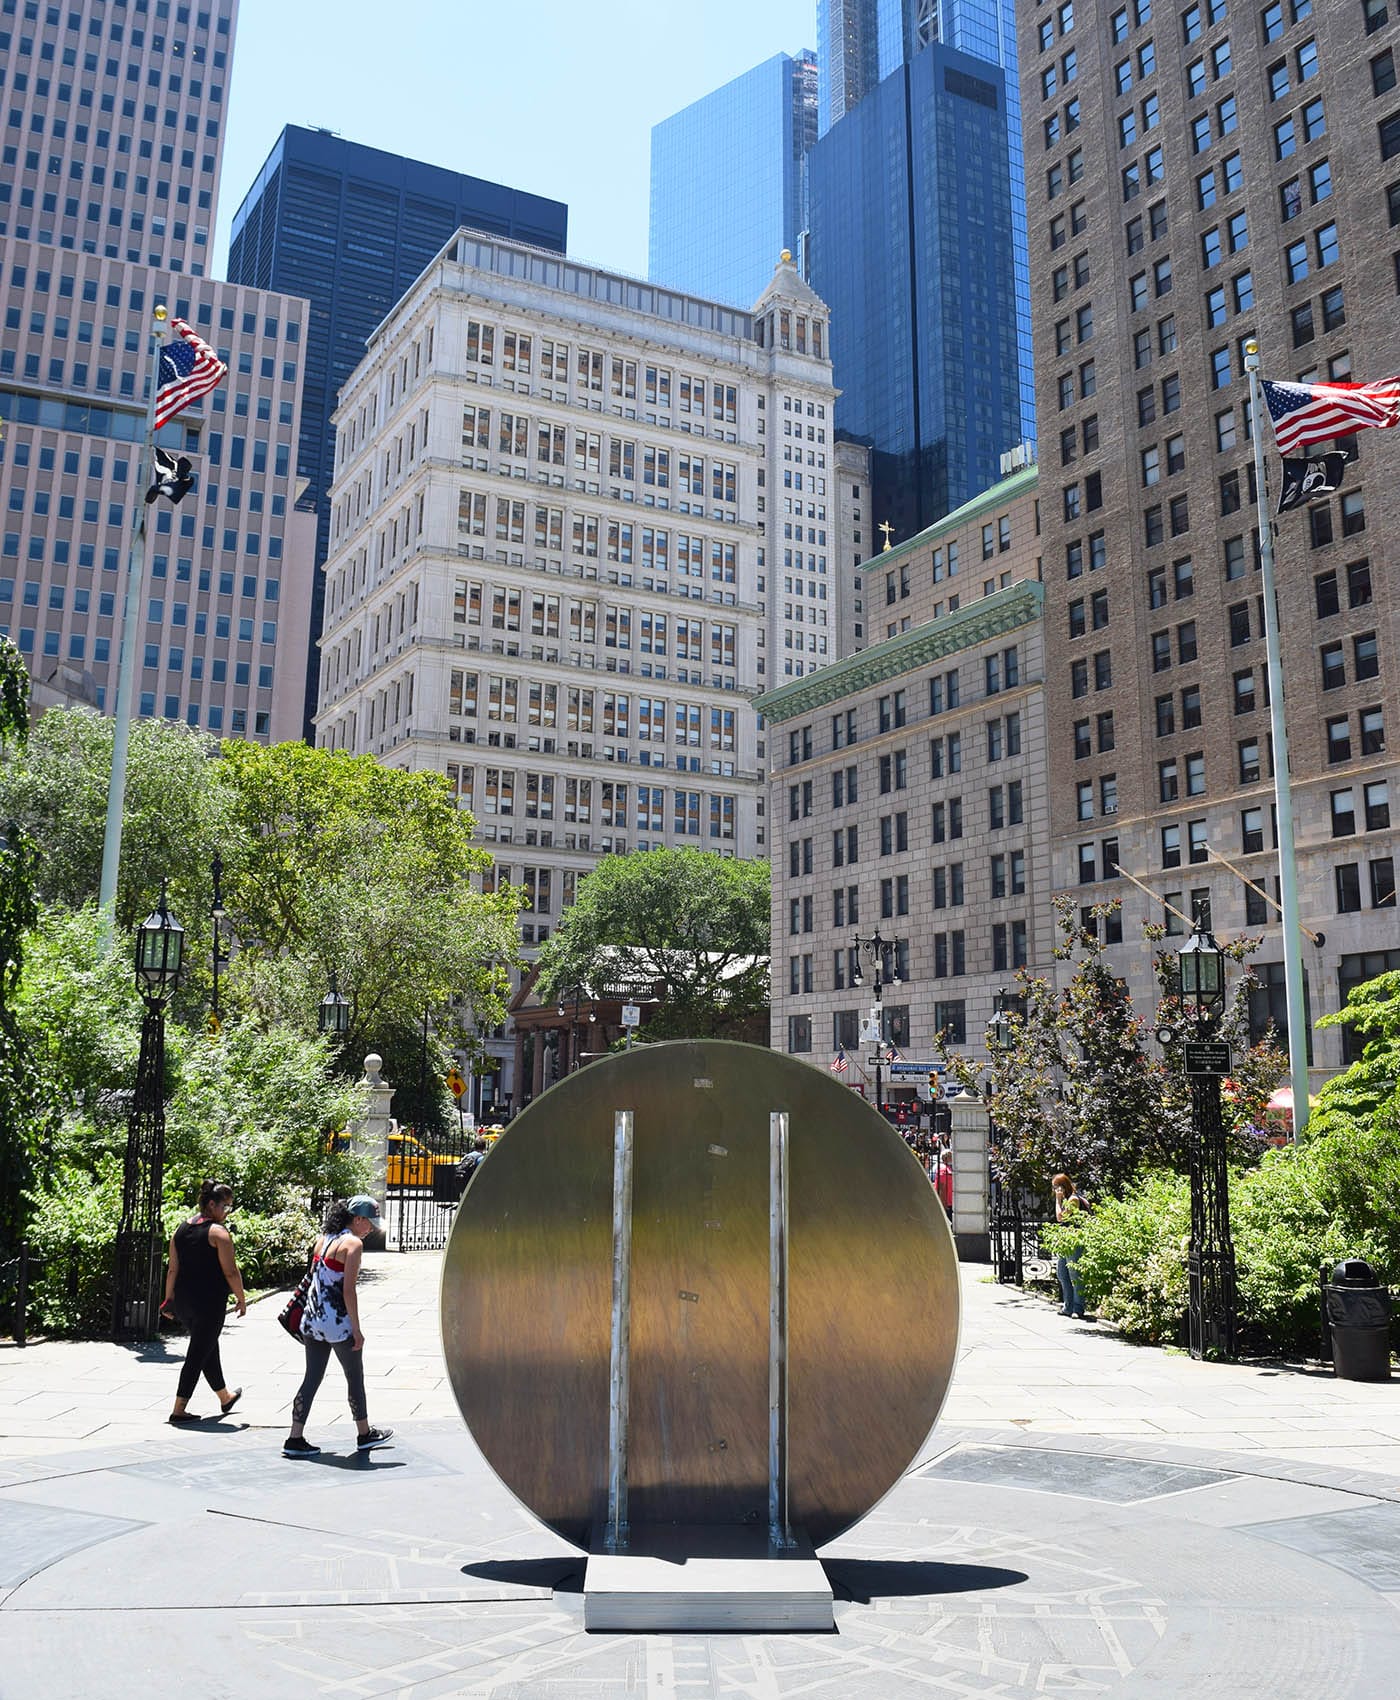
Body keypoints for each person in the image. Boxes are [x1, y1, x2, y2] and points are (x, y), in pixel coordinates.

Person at [282, 1196, 393, 1458]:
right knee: (354, 1377)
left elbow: (315, 1279)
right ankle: (364, 1433)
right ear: (357, 1219)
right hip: (337, 1325)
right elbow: (348, 1292)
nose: (371, 1229)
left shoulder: (323, 1240)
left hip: (313, 1321)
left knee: (312, 1377)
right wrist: (357, 1329)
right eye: (369, 1223)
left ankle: (294, 1438)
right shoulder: (352, 1245)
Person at [162, 1180, 247, 1424]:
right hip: (208, 1303)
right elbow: (230, 1271)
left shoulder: (180, 1229)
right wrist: (241, 1299)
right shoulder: (219, 1233)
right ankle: (179, 1409)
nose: (227, 1212)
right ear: (212, 1205)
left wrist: (168, 1300)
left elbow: (172, 1269)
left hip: (185, 1303)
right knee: (198, 1353)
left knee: (208, 1346)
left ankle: (225, 1397)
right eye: (226, 1207)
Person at [1052, 1172, 1091, 1318]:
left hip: (1074, 1240)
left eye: (1056, 1187)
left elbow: (1061, 1218)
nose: (1055, 1190)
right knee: (1062, 1273)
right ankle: (1067, 1306)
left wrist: (1058, 1200)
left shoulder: (1073, 1199)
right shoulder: (1067, 1199)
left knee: (1075, 1274)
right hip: (1066, 1240)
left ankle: (1078, 1308)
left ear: (1063, 1187)